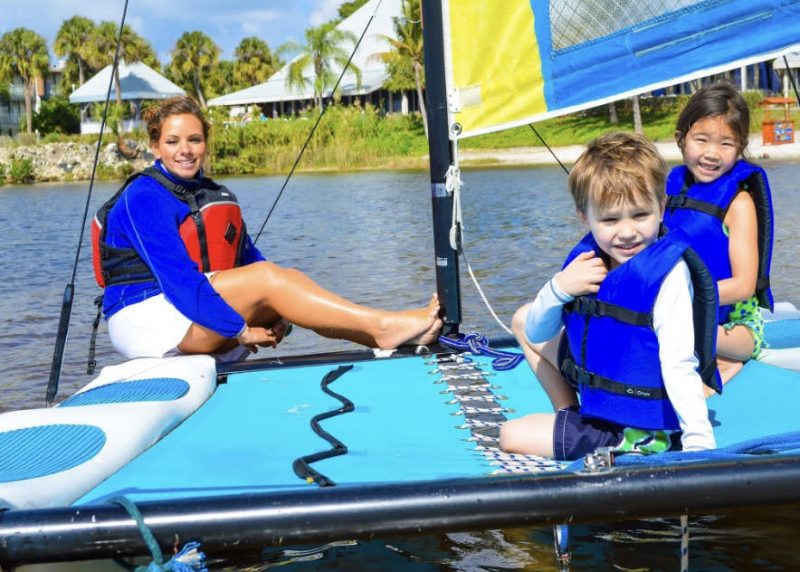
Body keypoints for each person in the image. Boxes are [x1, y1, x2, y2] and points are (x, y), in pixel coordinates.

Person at [92, 95, 441, 361]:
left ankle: (384, 337)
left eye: (195, 140)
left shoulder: (212, 194)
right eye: (173, 141)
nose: (185, 150)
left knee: (286, 277)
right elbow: (178, 280)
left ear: (206, 143)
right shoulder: (143, 197)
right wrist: (239, 330)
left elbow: (253, 261)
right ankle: (382, 328)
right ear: (156, 146)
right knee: (269, 281)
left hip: (193, 307)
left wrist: (281, 317)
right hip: (145, 315)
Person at [500, 132, 718, 460]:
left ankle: (619, 444)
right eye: (610, 219)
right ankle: (569, 412)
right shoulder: (590, 261)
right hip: (601, 403)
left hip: (640, 429)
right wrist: (559, 288)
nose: (627, 231)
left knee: (511, 434)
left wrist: (699, 446)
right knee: (522, 317)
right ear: (584, 217)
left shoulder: (668, 274)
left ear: (661, 208)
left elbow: (678, 363)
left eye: (640, 215)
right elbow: (535, 332)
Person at [663, 83, 774, 386]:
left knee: (676, 326)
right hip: (678, 307)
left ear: (740, 148)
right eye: (701, 140)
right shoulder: (670, 190)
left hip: (735, 326)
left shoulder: (738, 204)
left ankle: (726, 363)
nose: (712, 153)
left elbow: (742, 285)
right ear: (681, 139)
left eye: (726, 144)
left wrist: (681, 299)